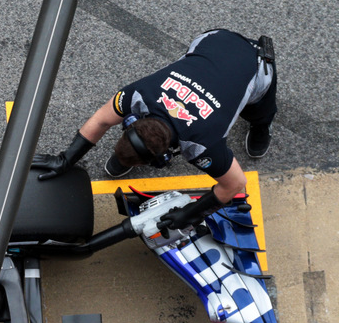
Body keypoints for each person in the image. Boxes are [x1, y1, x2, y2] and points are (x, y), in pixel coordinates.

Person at [38, 29, 276, 233]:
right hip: (214, 40)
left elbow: (235, 184)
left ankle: (262, 125)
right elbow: (100, 120)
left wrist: (192, 213)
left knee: (259, 110)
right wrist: (66, 158)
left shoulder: (202, 145)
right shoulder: (141, 93)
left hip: (254, 64)